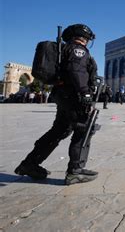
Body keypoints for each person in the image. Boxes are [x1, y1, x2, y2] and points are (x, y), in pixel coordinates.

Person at [15, 23, 99, 185]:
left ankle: (30, 163)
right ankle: (75, 170)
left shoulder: (65, 50)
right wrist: (85, 92)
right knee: (84, 128)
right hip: (74, 96)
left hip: (63, 95)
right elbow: (77, 71)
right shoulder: (78, 50)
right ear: (85, 38)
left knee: (59, 130)